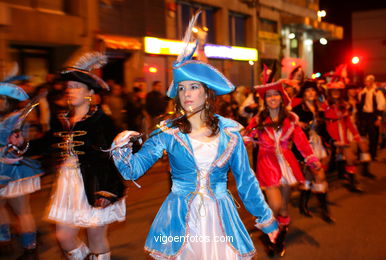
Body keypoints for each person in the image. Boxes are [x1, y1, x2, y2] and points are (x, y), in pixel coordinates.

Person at [110, 12, 278, 259]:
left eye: (193, 87)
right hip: (179, 219)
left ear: (207, 93)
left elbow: (246, 179)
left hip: (221, 219)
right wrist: (121, 147)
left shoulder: (230, 133)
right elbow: (133, 170)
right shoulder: (168, 131)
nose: (186, 94)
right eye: (181, 88)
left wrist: (265, 217)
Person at [34, 52, 126, 260]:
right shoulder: (62, 119)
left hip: (95, 183)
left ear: (89, 93)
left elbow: (111, 157)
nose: (70, 91)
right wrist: (22, 145)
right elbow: (46, 142)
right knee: (64, 236)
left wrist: (107, 190)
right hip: (67, 184)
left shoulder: (101, 120)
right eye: (69, 87)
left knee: (96, 237)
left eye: (76, 87)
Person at [245, 81, 322, 255]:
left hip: (287, 163)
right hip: (267, 162)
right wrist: (243, 138)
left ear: (282, 97)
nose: (272, 98)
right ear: (265, 99)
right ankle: (269, 235)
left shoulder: (291, 119)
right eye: (269, 95)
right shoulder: (258, 119)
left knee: (284, 207)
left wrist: (311, 159)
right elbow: (247, 136)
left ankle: (279, 238)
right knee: (276, 204)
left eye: (276, 94)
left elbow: (301, 142)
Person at [0, 80, 43, 258]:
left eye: (1, 99)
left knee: (22, 211)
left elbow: (17, 146)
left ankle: (28, 249)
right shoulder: (14, 117)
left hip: (11, 169)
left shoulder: (14, 119)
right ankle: (6, 242)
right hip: (8, 166)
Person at [292, 80, 334, 223]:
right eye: (307, 91)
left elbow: (323, 128)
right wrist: (297, 125)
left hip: (319, 146)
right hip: (305, 148)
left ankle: (303, 205)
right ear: (303, 94)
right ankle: (325, 210)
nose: (310, 93)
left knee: (309, 177)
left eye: (313, 91)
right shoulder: (297, 110)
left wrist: (330, 140)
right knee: (320, 176)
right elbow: (289, 127)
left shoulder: (319, 109)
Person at [323, 81, 363, 192]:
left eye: (338, 91)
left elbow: (348, 122)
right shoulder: (325, 105)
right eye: (333, 91)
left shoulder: (344, 105)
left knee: (350, 159)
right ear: (330, 92)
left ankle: (352, 183)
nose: (336, 93)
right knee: (327, 159)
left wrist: (356, 135)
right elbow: (322, 122)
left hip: (343, 135)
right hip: (331, 134)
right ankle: (321, 183)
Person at [357, 75, 386, 161]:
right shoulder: (362, 92)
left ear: (372, 81)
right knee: (362, 135)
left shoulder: (377, 92)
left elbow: (381, 105)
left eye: (369, 81)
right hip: (364, 116)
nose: (367, 82)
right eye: (366, 81)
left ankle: (373, 154)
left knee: (373, 136)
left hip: (373, 116)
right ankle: (362, 154)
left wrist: (379, 118)